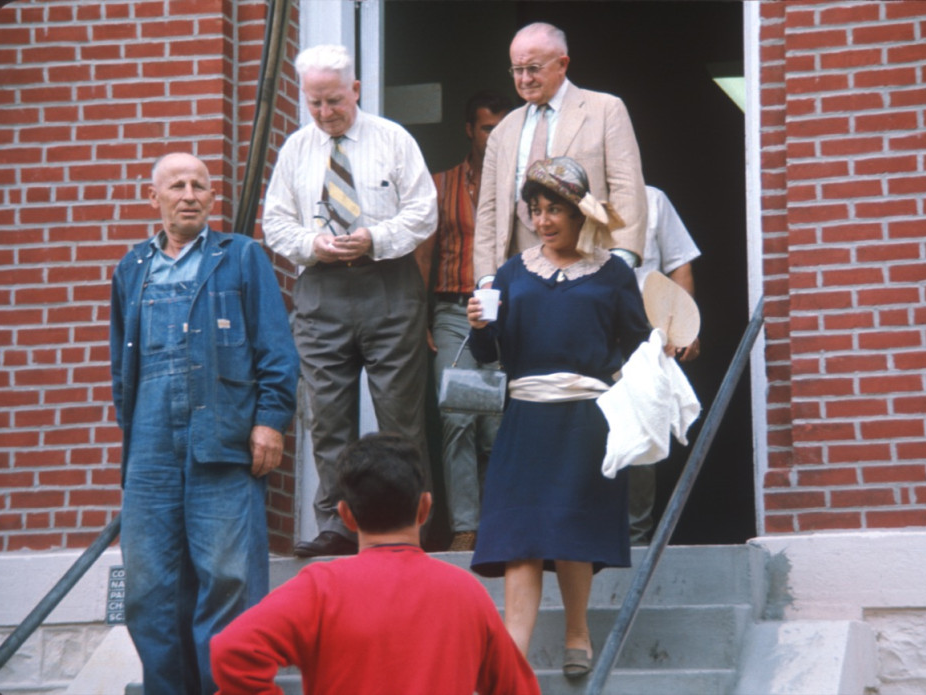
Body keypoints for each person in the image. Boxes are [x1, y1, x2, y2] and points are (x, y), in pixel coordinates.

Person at [109, 152, 300, 694]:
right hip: (149, 453)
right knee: (148, 588)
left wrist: (270, 421)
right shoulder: (132, 268)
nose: (190, 193)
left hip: (224, 440)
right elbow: (123, 371)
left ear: (211, 198)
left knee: (229, 579)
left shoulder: (240, 257)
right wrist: (139, 435)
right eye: (177, 186)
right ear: (155, 199)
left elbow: (277, 351)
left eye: (199, 184)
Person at [466, 156, 651, 679]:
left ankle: (577, 631)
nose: (544, 221)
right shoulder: (512, 271)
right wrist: (477, 323)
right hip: (525, 417)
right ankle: (512, 654)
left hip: (586, 421)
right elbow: (485, 353)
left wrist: (668, 346)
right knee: (520, 535)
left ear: (579, 215)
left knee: (571, 530)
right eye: (536, 210)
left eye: (555, 210)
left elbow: (637, 345)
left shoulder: (613, 273)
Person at [262, 44, 438, 558]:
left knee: (400, 418)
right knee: (327, 418)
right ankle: (338, 526)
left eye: (334, 101)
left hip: (388, 284)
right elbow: (276, 222)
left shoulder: (392, 140)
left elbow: (424, 212)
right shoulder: (297, 149)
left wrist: (375, 238)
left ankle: (409, 523)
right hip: (321, 291)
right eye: (314, 103)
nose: (324, 113)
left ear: (355, 90)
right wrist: (311, 244)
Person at [210, 432, 541, 695]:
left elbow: (232, 650)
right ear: (425, 509)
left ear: (346, 516)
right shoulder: (467, 593)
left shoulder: (320, 587)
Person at [473, 21, 647, 287]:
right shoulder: (503, 129)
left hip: (590, 270)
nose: (525, 79)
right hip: (518, 274)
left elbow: (628, 189)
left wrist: (620, 263)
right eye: (517, 70)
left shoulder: (605, 110)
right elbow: (488, 210)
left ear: (562, 64)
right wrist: (486, 278)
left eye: (533, 68)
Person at [414, 90, 512, 552]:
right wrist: (421, 318)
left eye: (501, 127)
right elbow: (424, 254)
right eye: (487, 127)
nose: (494, 137)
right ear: (470, 130)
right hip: (453, 310)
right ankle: (465, 528)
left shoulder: (522, 185)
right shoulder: (441, 184)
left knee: (495, 422)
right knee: (457, 413)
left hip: (507, 314)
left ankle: (495, 526)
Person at [628, 184, 702, 544]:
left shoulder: (653, 199)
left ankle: (636, 536)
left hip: (648, 328)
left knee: (645, 427)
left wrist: (682, 328)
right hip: (595, 327)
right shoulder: (579, 202)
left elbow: (680, 264)